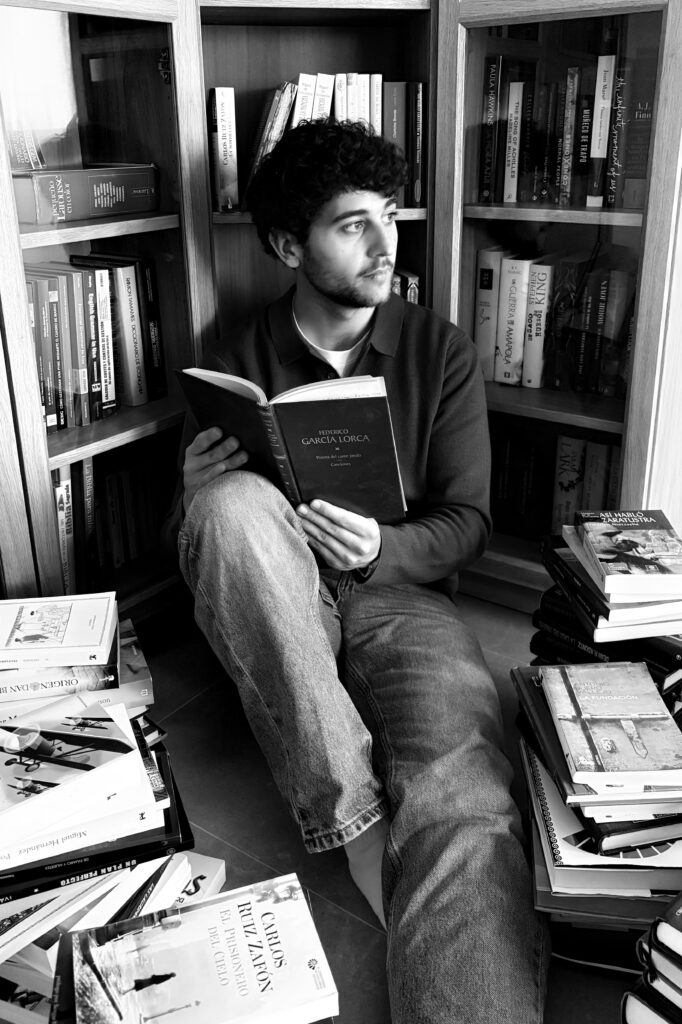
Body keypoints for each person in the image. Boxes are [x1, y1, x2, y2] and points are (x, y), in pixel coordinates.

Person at [171, 119, 549, 1023]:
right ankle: (357, 827)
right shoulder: (231, 358)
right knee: (225, 507)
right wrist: (191, 490)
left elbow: (469, 524)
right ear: (287, 246)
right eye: (353, 225)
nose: (387, 245)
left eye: (389, 215)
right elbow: (195, 549)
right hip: (275, 598)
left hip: (400, 598)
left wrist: (382, 549)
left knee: (461, 786)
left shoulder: (437, 350)